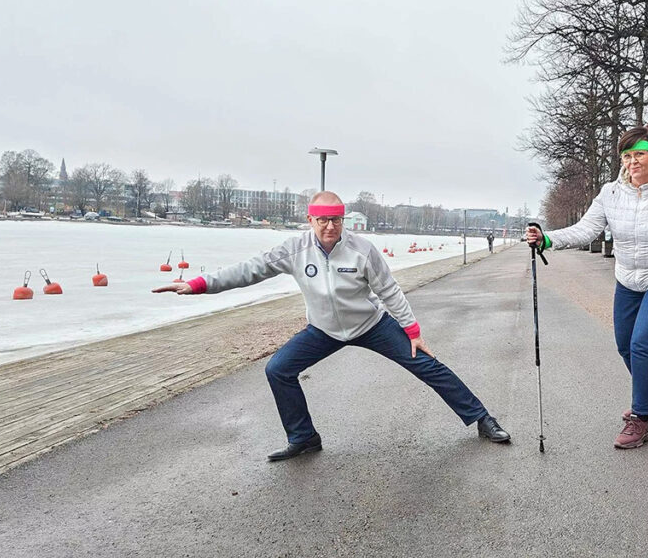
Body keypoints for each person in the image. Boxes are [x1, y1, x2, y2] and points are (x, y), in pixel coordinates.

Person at [153, 191, 511, 461]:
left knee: (426, 364)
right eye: (322, 220)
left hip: (371, 324)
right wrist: (198, 285)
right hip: (323, 330)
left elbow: (389, 290)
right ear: (310, 220)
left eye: (336, 220)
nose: (329, 226)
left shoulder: (362, 250)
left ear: (343, 221)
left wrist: (412, 331)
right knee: (278, 369)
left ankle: (482, 419)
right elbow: (248, 270)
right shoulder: (294, 250)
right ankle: (304, 438)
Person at [526, 125, 648, 450]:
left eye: (639, 154)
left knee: (642, 343)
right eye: (627, 155)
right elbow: (587, 228)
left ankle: (640, 420)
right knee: (625, 345)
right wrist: (548, 239)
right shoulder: (611, 193)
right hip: (627, 278)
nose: (632, 161)